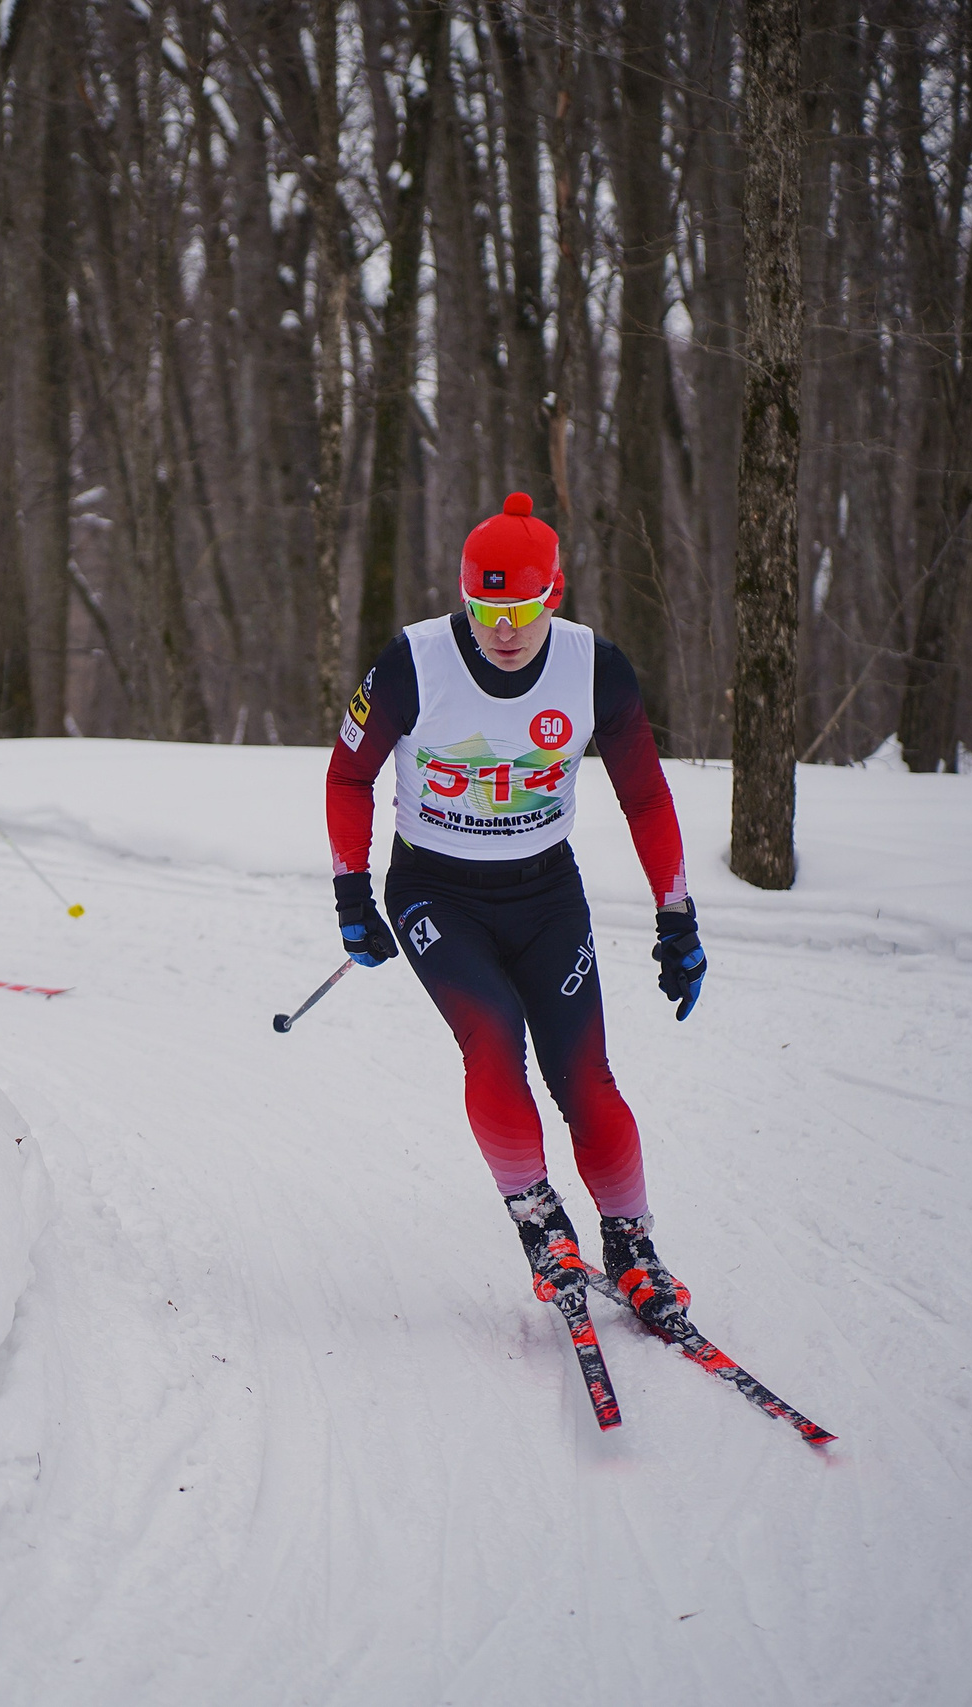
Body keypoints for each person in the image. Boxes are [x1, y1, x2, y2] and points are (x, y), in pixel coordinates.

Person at [324, 493, 708, 1333]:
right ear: (465, 597)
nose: (503, 629)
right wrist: (352, 891)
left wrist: (676, 913)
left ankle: (632, 1246)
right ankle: (541, 1222)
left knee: (585, 1077)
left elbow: (644, 794)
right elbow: (348, 775)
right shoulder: (412, 663)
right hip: (436, 891)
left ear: (554, 594)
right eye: (486, 608)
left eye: (521, 609)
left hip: (545, 894)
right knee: (493, 1034)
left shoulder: (594, 668)